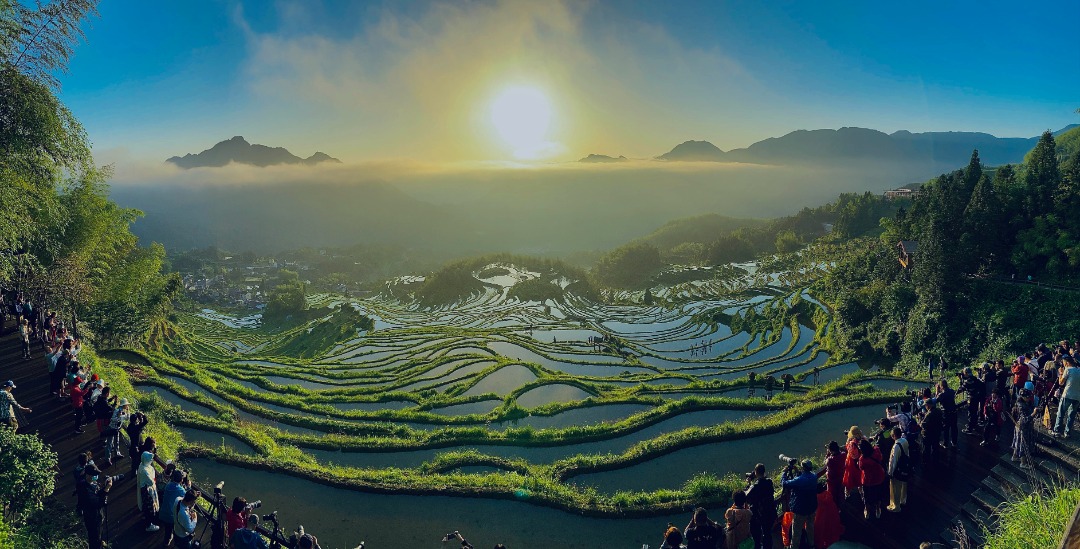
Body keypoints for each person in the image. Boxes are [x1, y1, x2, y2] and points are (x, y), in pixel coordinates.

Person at [781, 460, 818, 549]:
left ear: (803, 468)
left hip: (801, 509)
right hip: (812, 507)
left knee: (796, 532)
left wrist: (784, 473)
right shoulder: (814, 476)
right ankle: (811, 545)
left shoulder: (799, 480)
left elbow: (785, 484)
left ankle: (794, 547)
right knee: (810, 528)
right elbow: (804, 478)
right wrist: (798, 472)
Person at [77, 464, 113, 549]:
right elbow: (97, 502)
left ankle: (99, 543)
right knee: (94, 538)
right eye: (94, 475)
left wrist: (103, 489)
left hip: (95, 516)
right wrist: (106, 489)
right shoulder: (85, 489)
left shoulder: (88, 484)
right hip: (93, 517)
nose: (96, 477)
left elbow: (96, 495)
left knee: (97, 536)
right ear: (88, 475)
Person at [745, 463, 777, 549]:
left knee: (757, 534)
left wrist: (748, 484)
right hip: (770, 511)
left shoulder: (756, 485)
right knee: (767, 533)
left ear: (755, 472)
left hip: (759, 514)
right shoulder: (769, 482)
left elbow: (746, 496)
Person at [159, 468, 189, 547]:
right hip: (172, 516)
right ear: (181, 479)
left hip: (164, 512)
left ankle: (166, 542)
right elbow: (187, 498)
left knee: (167, 530)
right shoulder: (181, 490)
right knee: (175, 530)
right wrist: (188, 487)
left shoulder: (168, 485)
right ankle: (176, 543)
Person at [858, 439, 886, 519]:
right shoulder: (876, 451)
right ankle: (878, 509)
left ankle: (867, 510)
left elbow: (861, 468)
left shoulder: (862, 459)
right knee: (878, 495)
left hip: (868, 481)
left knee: (867, 496)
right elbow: (880, 458)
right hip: (879, 477)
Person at [1053, 356, 1080, 438]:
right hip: (1078, 396)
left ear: (1067, 362)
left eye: (1064, 362)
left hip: (1068, 394)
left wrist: (1061, 373)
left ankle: (1057, 431)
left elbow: (1061, 383)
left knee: (1061, 413)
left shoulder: (1068, 370)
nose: (1063, 364)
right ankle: (1067, 432)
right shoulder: (1079, 370)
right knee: (1071, 415)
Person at [886, 427, 910, 512]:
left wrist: (890, 473)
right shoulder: (904, 440)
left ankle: (896, 506)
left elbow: (893, 461)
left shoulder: (896, 446)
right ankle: (903, 500)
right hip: (905, 467)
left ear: (893, 436)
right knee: (904, 484)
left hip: (898, 470)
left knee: (895, 488)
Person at [136, 451, 161, 532]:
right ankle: (149, 524)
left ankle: (146, 518)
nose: (151, 461)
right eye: (150, 459)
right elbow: (151, 482)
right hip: (147, 491)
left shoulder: (142, 465)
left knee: (145, 505)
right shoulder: (145, 471)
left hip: (145, 489)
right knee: (149, 507)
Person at [841, 426, 864, 500]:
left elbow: (851, 453)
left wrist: (848, 441)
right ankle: (862, 494)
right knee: (860, 477)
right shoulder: (863, 439)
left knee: (849, 478)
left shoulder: (852, 443)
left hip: (852, 463)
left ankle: (847, 495)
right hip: (861, 461)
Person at [822, 441, 846, 507]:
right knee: (840, 492)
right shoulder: (843, 455)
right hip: (841, 477)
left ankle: (834, 507)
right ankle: (842, 505)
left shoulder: (830, 460)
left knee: (832, 494)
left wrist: (827, 454)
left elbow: (825, 462)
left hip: (832, 480)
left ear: (831, 450)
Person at [920, 399, 943, 464]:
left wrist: (921, 420)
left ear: (928, 405)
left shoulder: (929, 414)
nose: (925, 407)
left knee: (926, 448)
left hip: (928, 434)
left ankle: (926, 462)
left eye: (925, 405)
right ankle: (935, 460)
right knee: (935, 447)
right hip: (937, 432)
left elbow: (923, 425)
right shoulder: (938, 410)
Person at [937, 378, 958, 448]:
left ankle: (945, 443)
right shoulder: (952, 391)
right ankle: (954, 442)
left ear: (941, 386)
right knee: (954, 427)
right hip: (954, 412)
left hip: (946, 413)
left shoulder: (942, 394)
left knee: (946, 428)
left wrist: (937, 391)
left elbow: (936, 400)